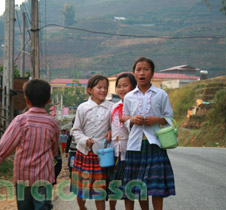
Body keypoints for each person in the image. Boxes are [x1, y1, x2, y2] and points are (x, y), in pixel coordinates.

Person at [0, 79, 60, 210]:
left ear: (26, 100)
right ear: (48, 100)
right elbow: (54, 150)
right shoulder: (52, 123)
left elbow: (6, 144)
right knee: (43, 207)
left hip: (22, 177)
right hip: (44, 177)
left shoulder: (20, 121)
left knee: (24, 207)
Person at [123, 57, 175, 210]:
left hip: (155, 144)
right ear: (134, 73)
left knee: (156, 187)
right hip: (135, 145)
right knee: (138, 186)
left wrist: (157, 119)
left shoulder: (161, 95)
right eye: (138, 69)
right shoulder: (129, 97)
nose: (142, 73)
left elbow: (169, 118)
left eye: (146, 69)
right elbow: (125, 119)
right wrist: (132, 120)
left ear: (152, 73)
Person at [71, 75, 113, 210]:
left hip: (101, 155)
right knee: (80, 188)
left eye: (105, 88)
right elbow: (76, 130)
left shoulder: (111, 107)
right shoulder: (82, 108)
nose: (103, 90)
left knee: (99, 190)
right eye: (99, 87)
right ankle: (82, 207)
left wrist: (111, 131)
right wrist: (84, 140)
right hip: (84, 153)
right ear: (90, 90)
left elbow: (116, 125)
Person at [107, 73, 137, 210]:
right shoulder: (113, 107)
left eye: (125, 85)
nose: (121, 89)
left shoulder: (135, 106)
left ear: (134, 87)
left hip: (129, 152)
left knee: (128, 188)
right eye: (118, 86)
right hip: (113, 153)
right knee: (113, 186)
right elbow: (109, 125)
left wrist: (128, 119)